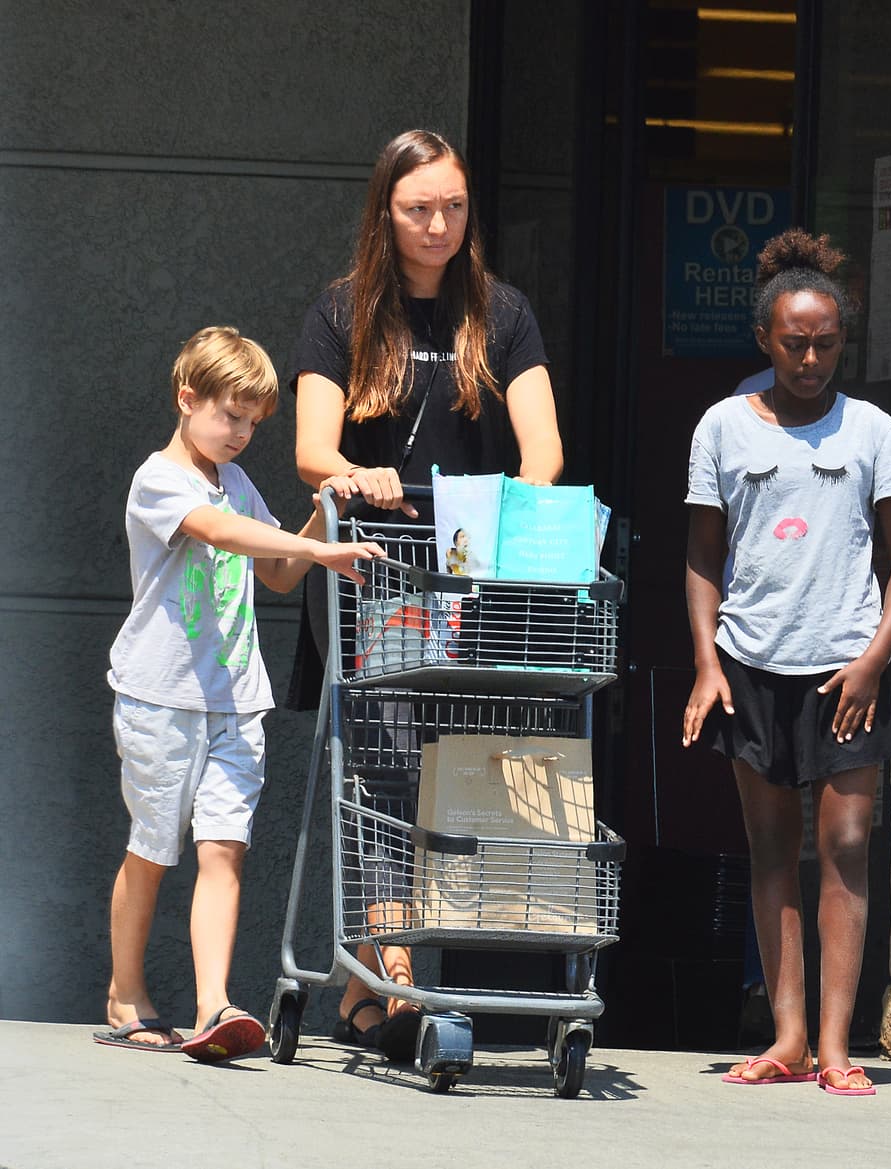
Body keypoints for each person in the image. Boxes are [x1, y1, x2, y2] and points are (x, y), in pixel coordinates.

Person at [290, 128, 564, 1060]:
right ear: (385, 212)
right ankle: (395, 981)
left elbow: (544, 449)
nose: (438, 224)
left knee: (454, 776)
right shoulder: (342, 313)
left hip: (471, 579)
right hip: (378, 578)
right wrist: (357, 476)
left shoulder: (502, 310)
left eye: (452, 206)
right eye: (418, 209)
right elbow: (310, 452)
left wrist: (519, 507)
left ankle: (376, 989)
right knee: (384, 770)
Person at [97, 326, 384, 1062]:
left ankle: (213, 1003)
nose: (243, 434)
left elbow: (280, 573)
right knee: (153, 849)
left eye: (255, 422)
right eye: (231, 416)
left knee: (224, 849)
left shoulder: (239, 481)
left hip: (236, 700)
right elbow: (221, 534)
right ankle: (125, 992)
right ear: (186, 398)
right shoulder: (158, 479)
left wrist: (328, 503)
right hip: (160, 697)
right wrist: (319, 544)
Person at [682, 228, 891, 1095]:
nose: (811, 357)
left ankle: (837, 1044)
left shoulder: (873, 431)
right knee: (772, 847)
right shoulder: (721, 427)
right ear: (765, 339)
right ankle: (786, 1035)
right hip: (752, 663)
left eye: (826, 342)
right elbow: (703, 554)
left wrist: (873, 659)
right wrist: (708, 665)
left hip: (845, 669)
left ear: (842, 340)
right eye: (795, 342)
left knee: (847, 844)